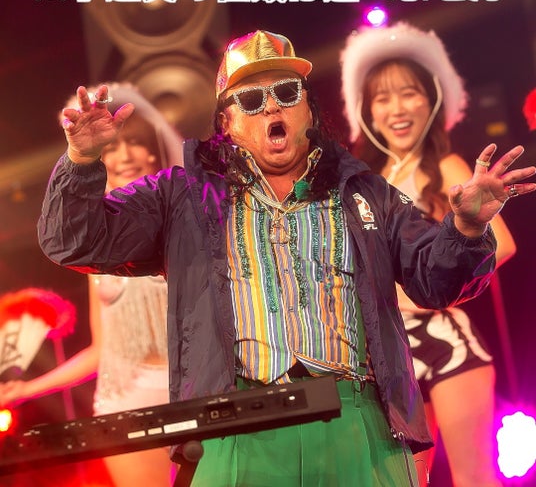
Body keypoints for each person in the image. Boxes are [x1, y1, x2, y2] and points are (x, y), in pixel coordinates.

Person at [36, 30, 536, 487]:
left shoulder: (364, 192)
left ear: (309, 110)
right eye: (251, 100)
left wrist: (467, 228)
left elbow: (437, 281)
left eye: (286, 93)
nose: (271, 106)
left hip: (357, 418)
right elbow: (73, 241)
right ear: (227, 123)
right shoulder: (181, 197)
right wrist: (81, 162)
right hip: (234, 424)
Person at [340, 22, 516, 486]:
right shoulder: (362, 183)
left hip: (446, 344)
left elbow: (504, 242)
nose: (397, 108)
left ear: (431, 101)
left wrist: (421, 295)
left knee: (475, 478)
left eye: (409, 93)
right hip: (387, 354)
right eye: (383, 98)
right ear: (367, 112)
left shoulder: (446, 167)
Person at [0, 83, 184, 487]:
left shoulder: (187, 221)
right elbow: (101, 350)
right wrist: (28, 389)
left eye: (135, 142)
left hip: (194, 390)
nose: (125, 155)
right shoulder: (95, 245)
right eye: (112, 147)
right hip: (124, 402)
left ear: (153, 150)